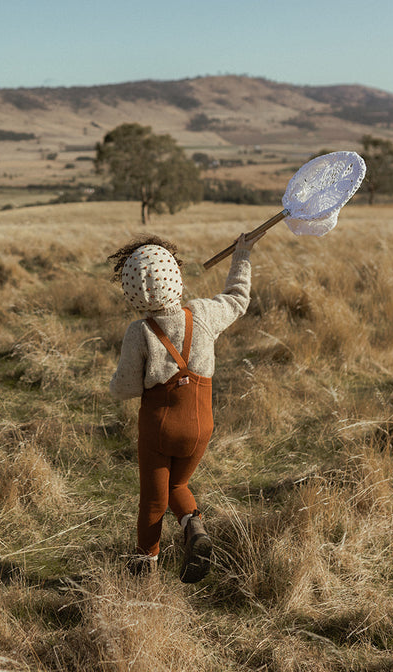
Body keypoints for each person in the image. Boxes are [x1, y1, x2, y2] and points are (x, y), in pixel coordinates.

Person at [108, 232, 254, 582]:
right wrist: (242, 256)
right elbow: (237, 299)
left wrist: (118, 384)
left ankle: (145, 573)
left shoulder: (139, 332)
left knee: (154, 501)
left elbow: (125, 389)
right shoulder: (202, 313)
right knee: (179, 485)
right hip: (201, 424)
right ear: (175, 275)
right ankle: (194, 527)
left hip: (159, 428)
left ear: (133, 293)